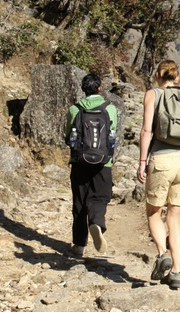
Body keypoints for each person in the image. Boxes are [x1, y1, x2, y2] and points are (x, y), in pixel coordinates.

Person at [136, 60, 180, 290]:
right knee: (175, 219)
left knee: (154, 212)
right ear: (177, 77)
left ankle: (163, 253)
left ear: (157, 75)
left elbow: (146, 130)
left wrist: (142, 162)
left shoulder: (152, 94)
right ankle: (176, 271)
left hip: (162, 159)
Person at [65, 73, 118, 257]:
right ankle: (96, 222)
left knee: (79, 202)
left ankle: (79, 245)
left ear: (83, 89)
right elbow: (113, 135)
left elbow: (68, 136)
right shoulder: (110, 109)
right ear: (99, 88)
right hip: (103, 163)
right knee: (100, 197)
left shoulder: (74, 109)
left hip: (80, 162)